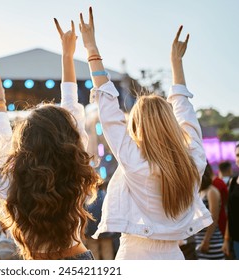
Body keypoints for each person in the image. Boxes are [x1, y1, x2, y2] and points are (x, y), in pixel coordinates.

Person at [80, 7, 212, 259]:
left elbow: (109, 113)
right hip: (175, 256)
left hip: (135, 256)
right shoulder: (193, 162)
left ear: (137, 127)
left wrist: (91, 49)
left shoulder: (135, 161)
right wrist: (177, 64)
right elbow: (187, 115)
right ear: (170, 123)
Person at [0, 19, 99, 260]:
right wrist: (67, 56)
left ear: (24, 142)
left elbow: (1, 145)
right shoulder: (74, 175)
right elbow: (72, 109)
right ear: (68, 139)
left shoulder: (12, 184)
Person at [195, 164, 225, 259]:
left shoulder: (212, 191)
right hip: (199, 240)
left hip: (212, 241)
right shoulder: (198, 192)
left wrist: (206, 240)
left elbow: (214, 218)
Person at [85, 183, 119, 260]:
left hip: (91, 231)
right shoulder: (106, 196)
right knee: (107, 254)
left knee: (93, 254)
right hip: (106, 230)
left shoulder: (88, 197)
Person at [222, 143, 239, 259]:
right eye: (237, 155)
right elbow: (230, 212)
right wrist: (227, 239)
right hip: (236, 240)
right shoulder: (232, 182)